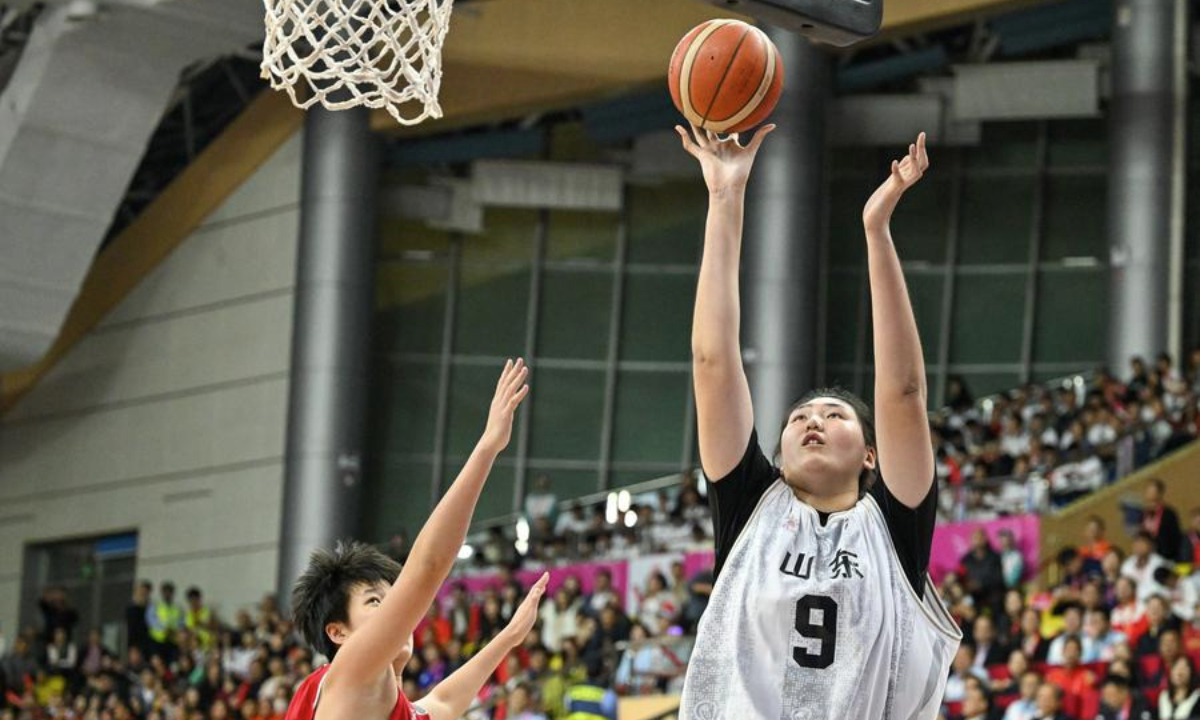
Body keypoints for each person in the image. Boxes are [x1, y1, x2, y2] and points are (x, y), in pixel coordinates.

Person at [674, 123, 959, 719]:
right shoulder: (753, 503)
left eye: (834, 415)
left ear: (871, 455)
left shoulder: (895, 527)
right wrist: (725, 198)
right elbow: (712, 360)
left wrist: (876, 230)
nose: (813, 422)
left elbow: (903, 393)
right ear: (777, 455)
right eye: (800, 417)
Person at [283, 359, 548, 720]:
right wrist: (487, 448)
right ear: (338, 632)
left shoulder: (389, 704)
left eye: (393, 597)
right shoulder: (350, 677)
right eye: (376, 600)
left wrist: (510, 636)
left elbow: (446, 702)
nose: (399, 609)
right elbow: (427, 568)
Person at [1142, 479, 1184, 562]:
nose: (1148, 492)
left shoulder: (1169, 513)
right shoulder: (1144, 515)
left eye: (1151, 490)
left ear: (1160, 493)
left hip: (1168, 558)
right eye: (1147, 490)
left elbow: (1177, 538)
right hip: (1150, 559)